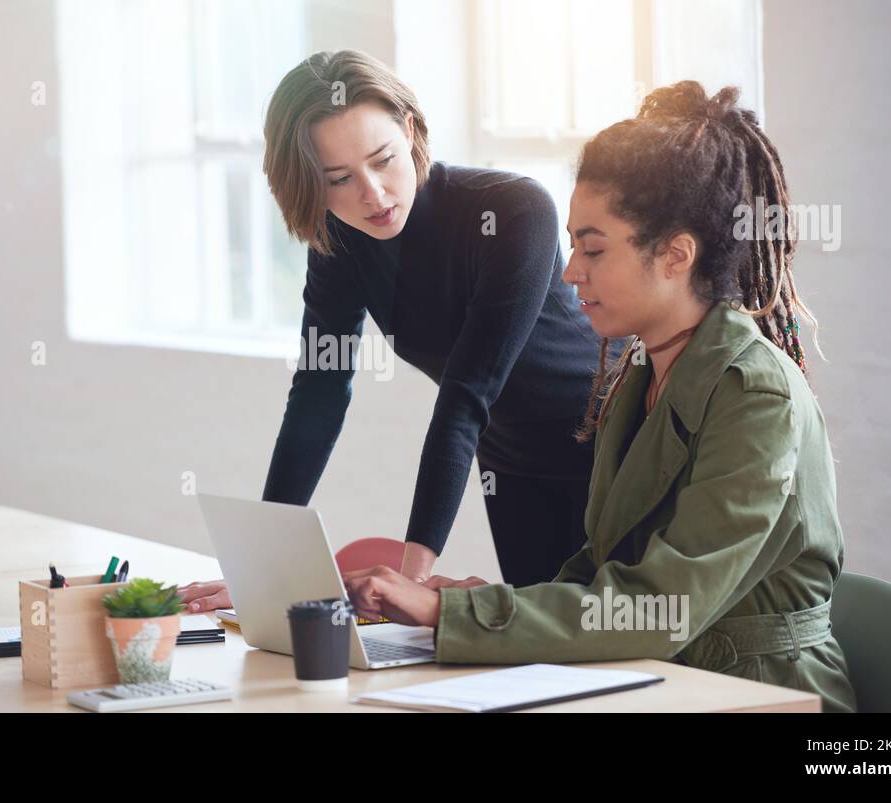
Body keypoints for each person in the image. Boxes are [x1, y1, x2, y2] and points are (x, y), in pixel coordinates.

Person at [341, 81, 858, 713]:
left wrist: (454, 613)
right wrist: (472, 604)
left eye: (592, 249)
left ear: (675, 255)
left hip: (761, 696)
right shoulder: (639, 377)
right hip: (663, 679)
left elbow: (661, 606)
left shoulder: (757, 396)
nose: (569, 272)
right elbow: (601, 569)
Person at [180, 50, 605, 612]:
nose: (373, 195)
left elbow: (466, 393)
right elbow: (318, 393)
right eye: (339, 179)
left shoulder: (512, 210)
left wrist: (412, 581)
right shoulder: (340, 241)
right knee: (548, 660)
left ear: (409, 130)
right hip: (511, 462)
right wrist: (261, 567)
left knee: (620, 643)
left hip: (609, 448)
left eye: (382, 160)